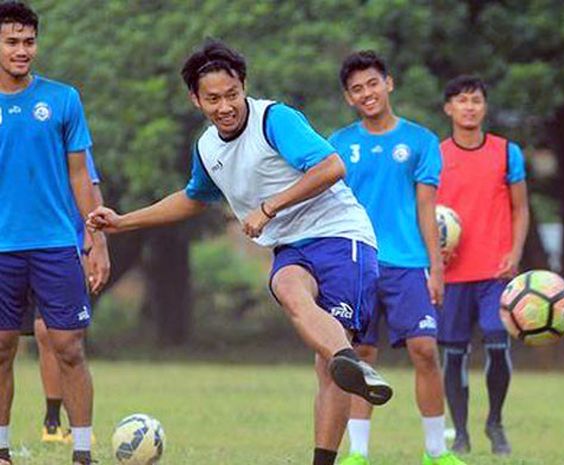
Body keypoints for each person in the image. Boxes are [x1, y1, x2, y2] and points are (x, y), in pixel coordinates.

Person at [87, 39, 393, 465]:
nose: (226, 106)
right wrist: (123, 221)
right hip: (292, 246)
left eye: (232, 94)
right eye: (213, 99)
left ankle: (340, 378)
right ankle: (348, 360)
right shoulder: (208, 148)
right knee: (287, 287)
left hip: (343, 237)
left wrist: (268, 208)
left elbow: (332, 167)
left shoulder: (275, 120)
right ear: (196, 99)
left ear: (243, 86)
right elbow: (194, 197)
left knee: (325, 370)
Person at [329, 50, 464, 465]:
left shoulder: (421, 142)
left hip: (408, 265)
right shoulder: (338, 145)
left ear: (388, 84)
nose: (367, 93)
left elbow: (427, 209)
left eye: (373, 83)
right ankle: (359, 453)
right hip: (357, 263)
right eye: (357, 89)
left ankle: (436, 452)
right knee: (361, 357)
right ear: (349, 98)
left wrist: (436, 268)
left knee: (425, 350)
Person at [0, 2, 110, 464]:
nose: (22, 50)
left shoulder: (63, 98)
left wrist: (96, 238)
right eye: (12, 42)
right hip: (2, 248)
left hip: (54, 243)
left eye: (29, 41)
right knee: (1, 348)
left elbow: (81, 177)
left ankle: (81, 452)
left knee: (68, 347)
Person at [436, 75, 529, 455]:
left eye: (475, 100)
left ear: (484, 107)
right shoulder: (436, 154)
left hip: (496, 272)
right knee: (454, 354)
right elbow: (425, 211)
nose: (469, 107)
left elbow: (521, 208)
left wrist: (516, 253)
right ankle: (460, 432)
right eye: (461, 100)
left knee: (496, 342)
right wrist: (433, 253)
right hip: (453, 274)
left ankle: (495, 421)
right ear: (449, 109)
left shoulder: (507, 153)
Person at [19, 148, 104, 444]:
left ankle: (69, 425)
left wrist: (92, 242)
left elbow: (90, 188)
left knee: (56, 335)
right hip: (17, 245)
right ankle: (52, 421)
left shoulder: (68, 135)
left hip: (62, 247)